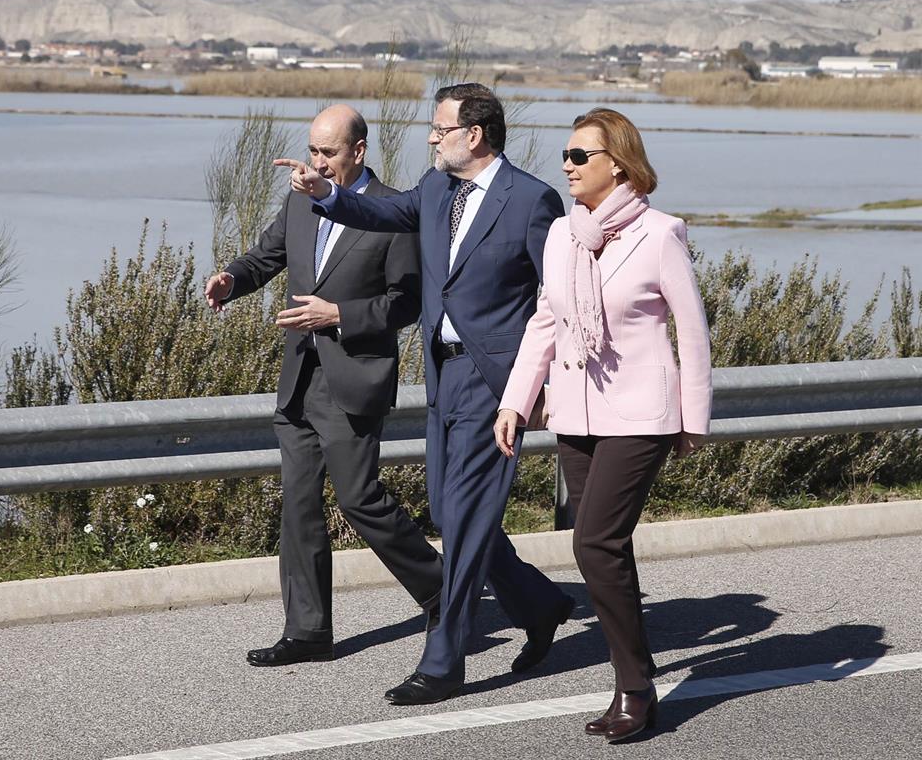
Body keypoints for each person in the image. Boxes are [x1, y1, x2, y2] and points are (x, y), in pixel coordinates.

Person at [276, 84, 574, 705]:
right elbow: (383, 213)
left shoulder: (532, 202)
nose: (431, 138)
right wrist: (325, 194)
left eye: (441, 129)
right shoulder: (435, 189)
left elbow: (558, 302)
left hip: (495, 385)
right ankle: (539, 603)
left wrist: (537, 385)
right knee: (449, 510)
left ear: (476, 134)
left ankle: (444, 659)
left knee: (463, 520)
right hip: (441, 374)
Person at [494, 107, 712, 742]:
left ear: (616, 162)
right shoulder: (564, 234)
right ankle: (631, 680)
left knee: (594, 542)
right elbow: (546, 321)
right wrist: (515, 401)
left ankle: (637, 687)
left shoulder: (661, 233)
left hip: (641, 414)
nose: (567, 164)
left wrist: (693, 418)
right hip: (576, 411)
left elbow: (691, 332)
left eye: (580, 155)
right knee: (601, 551)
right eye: (565, 155)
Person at [206, 104, 443, 668]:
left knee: (361, 501)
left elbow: (406, 303)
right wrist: (230, 280)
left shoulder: (392, 211)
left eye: (328, 152)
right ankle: (308, 631)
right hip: (299, 381)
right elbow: (266, 258)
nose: (316, 162)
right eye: (312, 150)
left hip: (353, 378)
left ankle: (442, 591)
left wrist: (338, 314)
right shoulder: (299, 200)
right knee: (299, 507)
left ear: (358, 152)